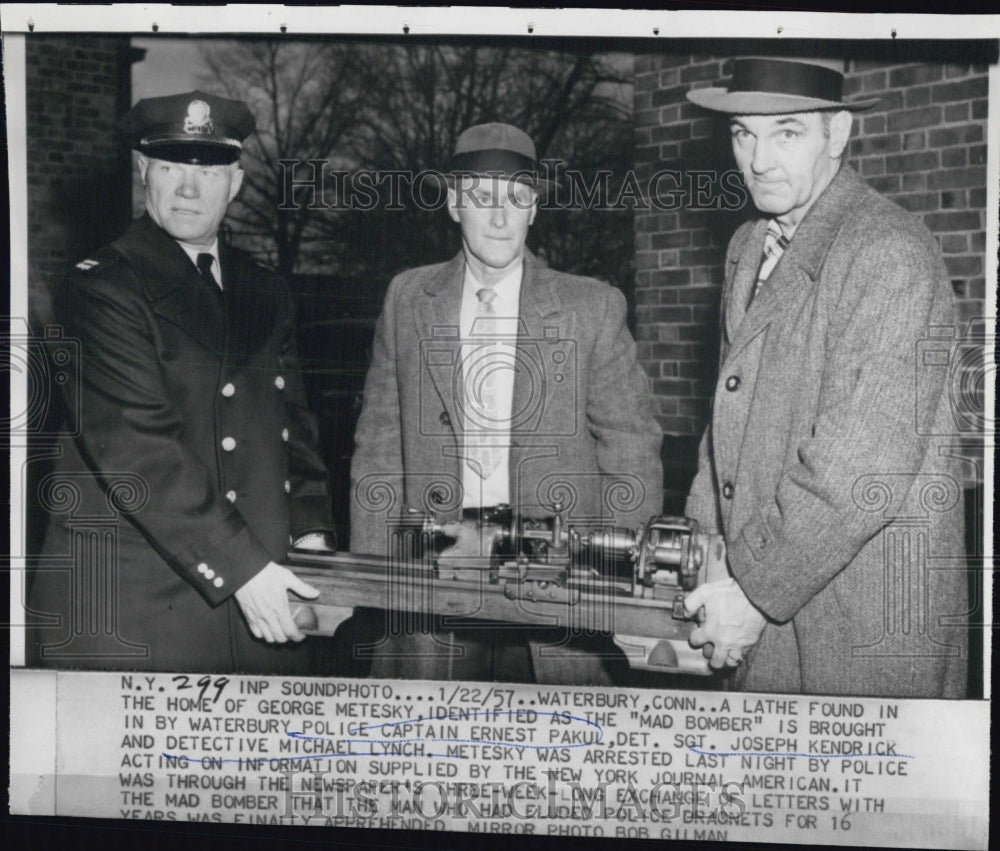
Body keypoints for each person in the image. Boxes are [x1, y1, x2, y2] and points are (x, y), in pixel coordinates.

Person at [681, 58, 968, 697]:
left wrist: (751, 593)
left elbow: (858, 466)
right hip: (763, 593)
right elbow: (723, 421)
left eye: (786, 132)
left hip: (859, 629)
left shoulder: (889, 249)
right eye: (742, 134)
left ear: (836, 135)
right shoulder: (748, 246)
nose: (757, 160)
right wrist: (700, 557)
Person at [28, 90, 335, 674]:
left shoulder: (265, 288)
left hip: (258, 607)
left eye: (209, 169)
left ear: (236, 183)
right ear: (144, 173)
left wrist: (312, 538)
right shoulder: (100, 289)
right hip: (134, 611)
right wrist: (246, 571)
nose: (189, 188)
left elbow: (295, 434)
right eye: (170, 167)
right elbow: (141, 450)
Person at [349, 123, 663, 684]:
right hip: (432, 584)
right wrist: (375, 582)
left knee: (557, 759)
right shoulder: (408, 299)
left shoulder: (590, 306)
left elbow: (631, 448)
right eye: (482, 198)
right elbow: (378, 445)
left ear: (535, 209)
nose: (499, 217)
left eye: (516, 198)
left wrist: (619, 584)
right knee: (426, 758)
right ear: (452, 203)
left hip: (562, 589)